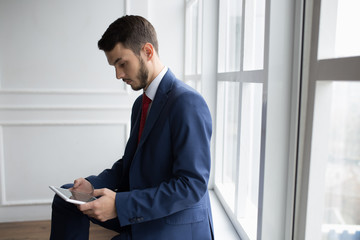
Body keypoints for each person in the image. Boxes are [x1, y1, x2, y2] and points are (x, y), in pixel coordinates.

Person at [50, 15, 214, 240]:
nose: (118, 75)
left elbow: (192, 186)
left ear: (147, 51)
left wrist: (120, 205)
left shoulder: (187, 102)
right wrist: (92, 184)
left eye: (122, 63)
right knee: (66, 198)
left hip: (175, 222)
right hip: (143, 207)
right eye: (114, 66)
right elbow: (130, 164)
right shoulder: (141, 103)